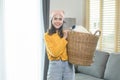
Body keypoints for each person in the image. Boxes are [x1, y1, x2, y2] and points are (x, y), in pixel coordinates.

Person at [44, 10, 75, 80]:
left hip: (69, 66)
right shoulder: (47, 35)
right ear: (51, 20)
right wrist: (64, 38)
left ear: (63, 21)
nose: (58, 21)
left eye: (60, 19)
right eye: (55, 18)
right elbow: (55, 53)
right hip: (55, 66)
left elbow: (73, 49)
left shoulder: (66, 33)